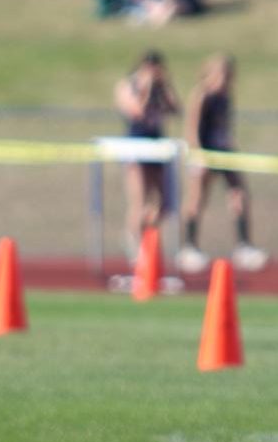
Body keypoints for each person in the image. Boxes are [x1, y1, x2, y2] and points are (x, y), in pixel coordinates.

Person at [178, 54, 268, 274]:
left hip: (224, 152)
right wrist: (197, 154)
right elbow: (192, 127)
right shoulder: (202, 95)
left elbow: (224, 127)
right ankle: (188, 247)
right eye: (222, 74)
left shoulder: (226, 96)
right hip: (205, 153)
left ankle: (244, 246)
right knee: (197, 198)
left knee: (239, 194)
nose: (226, 79)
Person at [114, 49, 181, 261]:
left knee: (162, 202)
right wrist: (146, 88)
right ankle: (134, 241)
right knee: (139, 200)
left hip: (156, 145)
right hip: (136, 145)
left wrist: (164, 87)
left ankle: (149, 238)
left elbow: (176, 109)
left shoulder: (162, 87)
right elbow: (137, 112)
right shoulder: (129, 85)